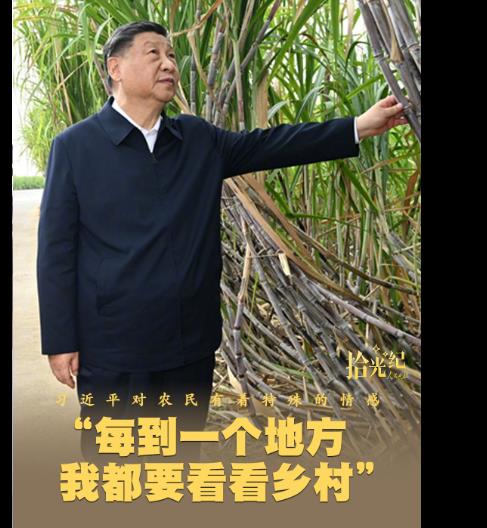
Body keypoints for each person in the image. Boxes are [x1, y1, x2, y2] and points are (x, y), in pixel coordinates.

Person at [37, 20, 407, 464]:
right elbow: (56, 251)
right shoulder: (76, 147)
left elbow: (273, 144)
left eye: (171, 55)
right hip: (114, 346)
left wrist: (358, 127)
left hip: (188, 343)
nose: (169, 64)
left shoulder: (196, 139)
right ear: (115, 68)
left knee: (178, 463)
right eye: (153, 54)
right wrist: (60, 340)